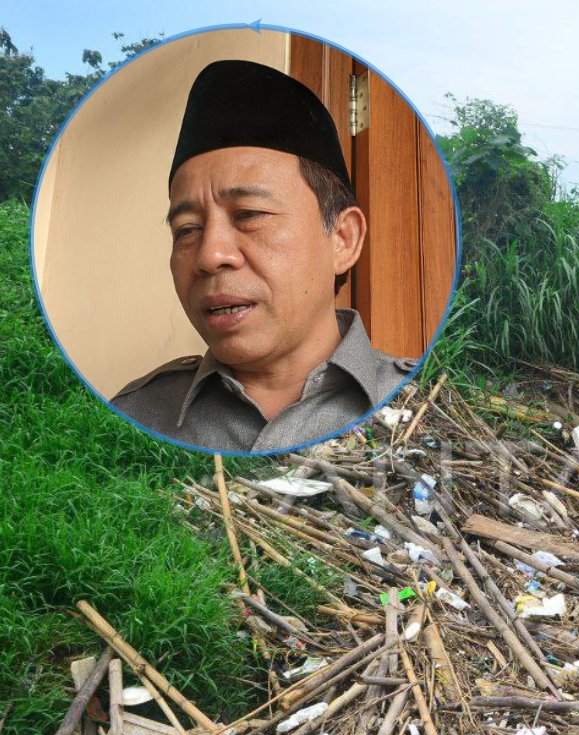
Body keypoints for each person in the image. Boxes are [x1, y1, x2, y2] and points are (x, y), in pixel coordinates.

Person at [111, 59, 417, 453]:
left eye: (250, 214)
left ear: (342, 239)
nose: (210, 255)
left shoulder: (425, 408)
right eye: (187, 230)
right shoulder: (131, 417)